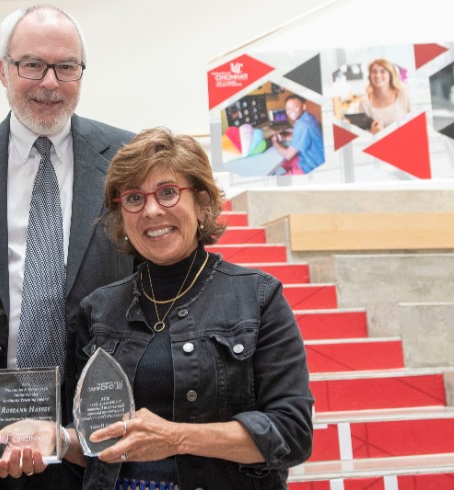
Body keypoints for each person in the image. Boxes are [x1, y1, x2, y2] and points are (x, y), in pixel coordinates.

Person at [0, 4, 135, 488]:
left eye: (66, 67)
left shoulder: (127, 160)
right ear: (2, 70)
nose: (50, 82)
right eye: (32, 64)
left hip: (95, 434)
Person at [67, 128, 315, 489]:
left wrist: (176, 438)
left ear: (201, 203)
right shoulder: (98, 310)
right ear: (122, 217)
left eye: (168, 192)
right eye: (134, 198)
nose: (152, 210)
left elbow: (291, 433)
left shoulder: (258, 298)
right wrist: (54, 440)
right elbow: (92, 439)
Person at [269, 94, 325, 174]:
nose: (291, 111)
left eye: (295, 106)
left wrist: (274, 142)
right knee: (284, 165)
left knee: (280, 177)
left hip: (311, 166)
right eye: (288, 109)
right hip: (317, 159)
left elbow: (288, 155)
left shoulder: (302, 125)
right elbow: (302, 137)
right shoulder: (309, 118)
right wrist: (284, 138)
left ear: (304, 106)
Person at [358, 58, 411, 133]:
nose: (378, 75)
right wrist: (372, 132)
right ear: (370, 76)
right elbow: (364, 134)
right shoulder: (364, 103)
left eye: (383, 71)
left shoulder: (403, 94)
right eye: (374, 72)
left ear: (390, 75)